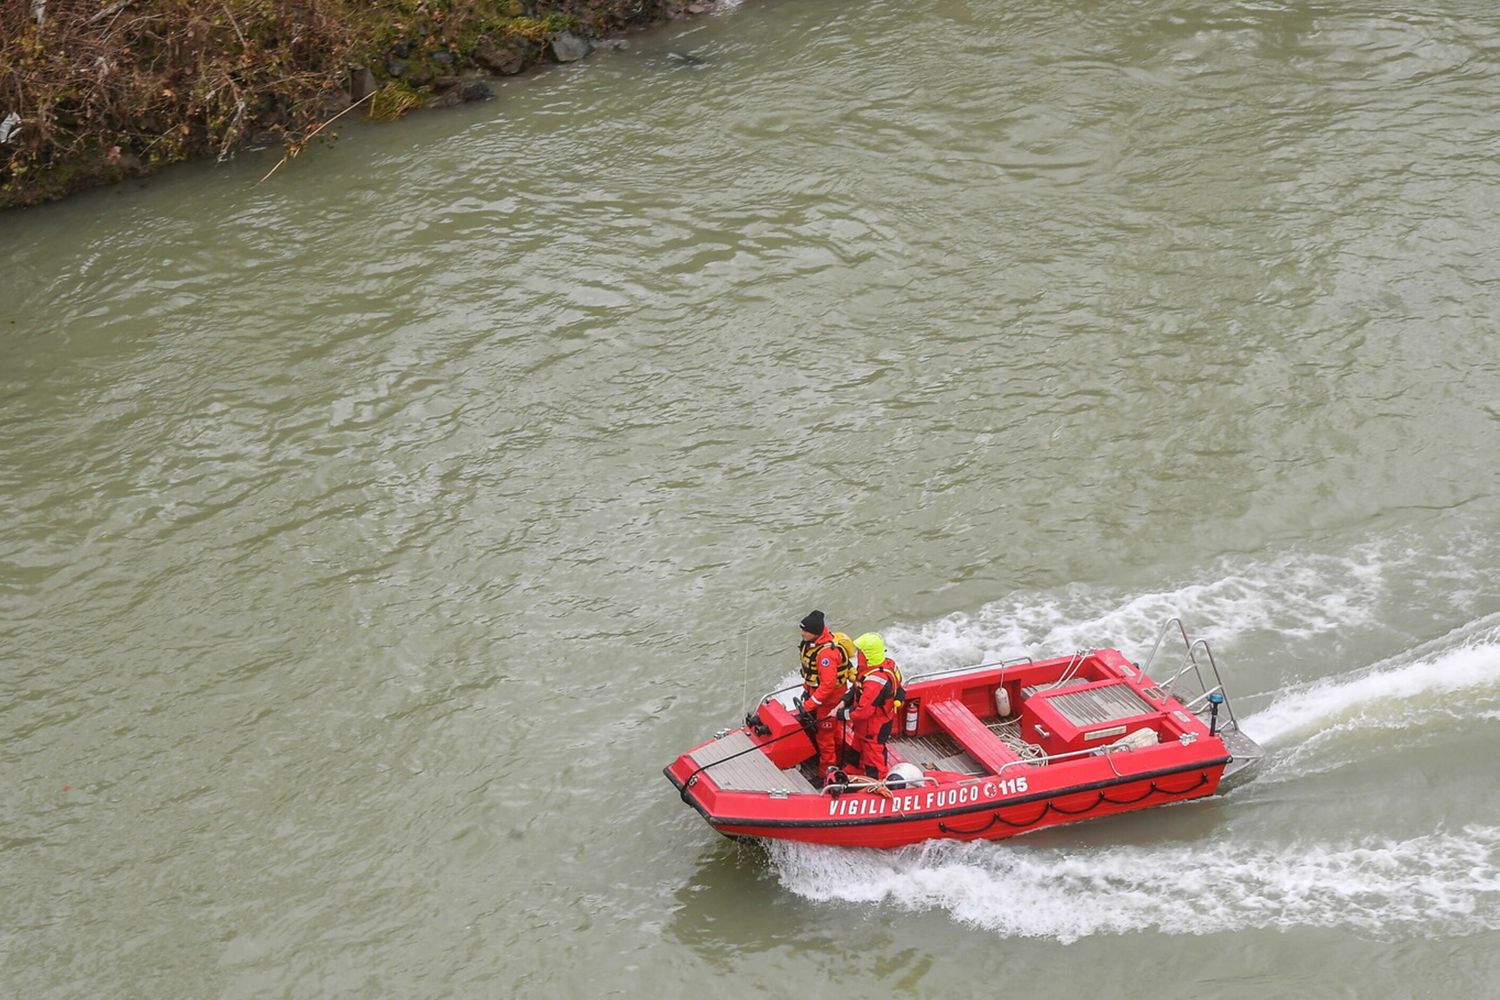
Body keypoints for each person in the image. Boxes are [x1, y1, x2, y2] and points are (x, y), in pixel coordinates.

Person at [796, 609, 852, 787]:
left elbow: (828, 685)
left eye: (805, 630)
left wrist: (810, 705)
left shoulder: (826, 655)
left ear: (815, 632)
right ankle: (839, 759)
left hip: (829, 702)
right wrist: (807, 692)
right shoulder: (813, 645)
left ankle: (825, 773)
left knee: (825, 737)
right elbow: (813, 677)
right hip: (819, 697)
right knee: (832, 733)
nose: (802, 633)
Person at [839, 632, 904, 780]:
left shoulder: (875, 681)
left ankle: (877, 783)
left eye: (860, 651)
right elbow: (858, 687)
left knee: (873, 756)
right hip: (866, 725)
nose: (857, 654)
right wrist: (846, 699)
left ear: (867, 654)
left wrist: (841, 714)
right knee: (857, 748)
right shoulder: (885, 665)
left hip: (874, 726)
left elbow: (863, 711)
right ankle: (854, 772)